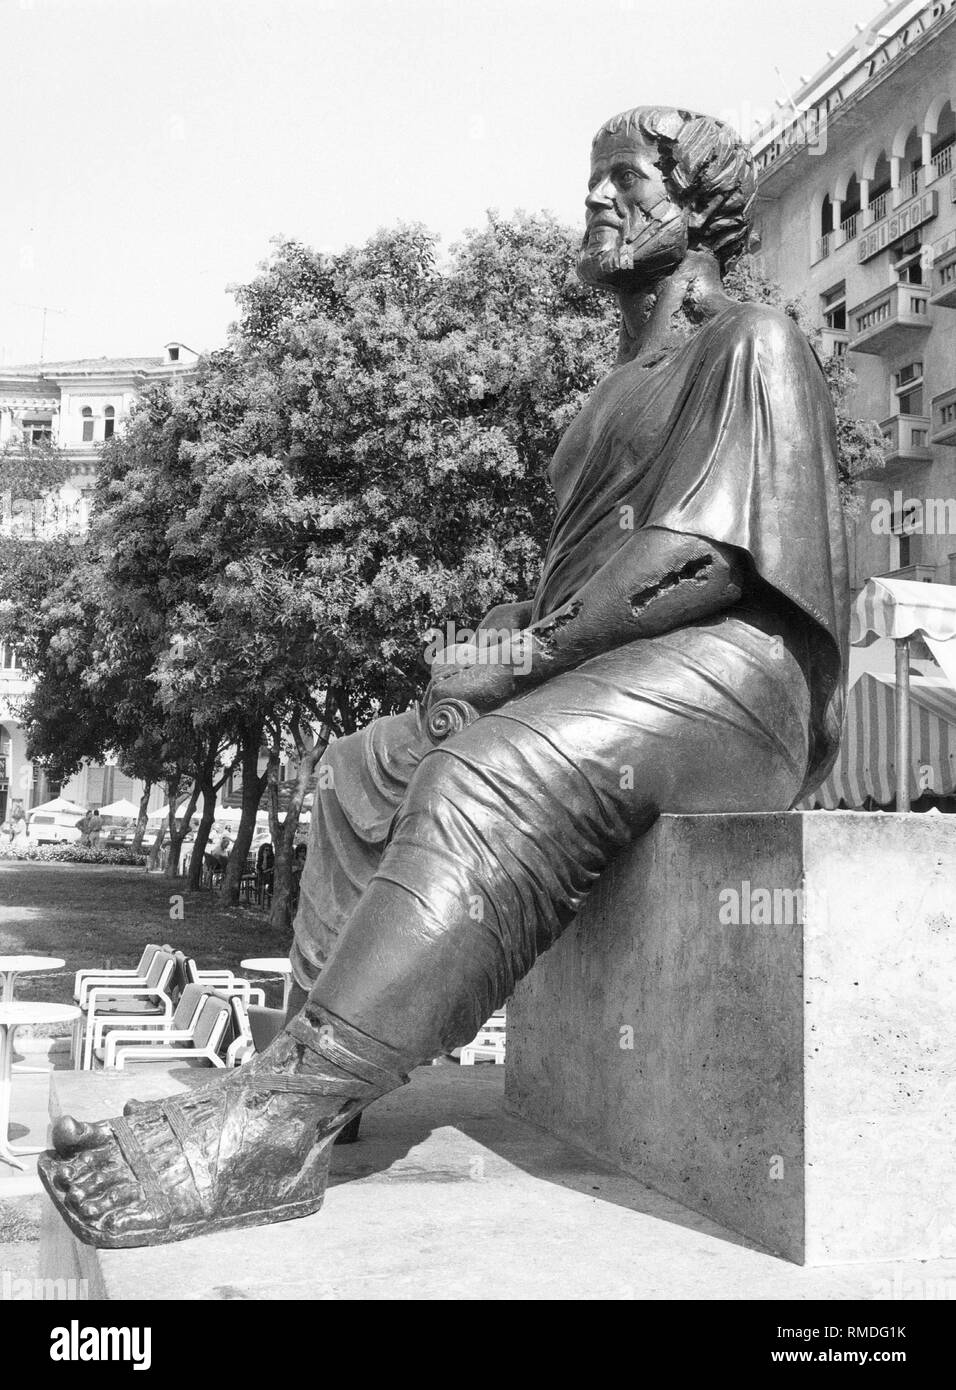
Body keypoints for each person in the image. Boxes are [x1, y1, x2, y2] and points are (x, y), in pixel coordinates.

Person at [40, 105, 848, 1249]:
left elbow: (696, 560)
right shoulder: (611, 393)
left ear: (700, 204)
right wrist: (478, 656)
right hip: (624, 654)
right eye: (590, 181)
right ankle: (307, 1076)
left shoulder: (749, 342)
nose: (597, 202)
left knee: (484, 777)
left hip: (735, 673)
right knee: (361, 766)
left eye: (625, 179)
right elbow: (570, 581)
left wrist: (523, 661)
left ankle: (277, 1122)